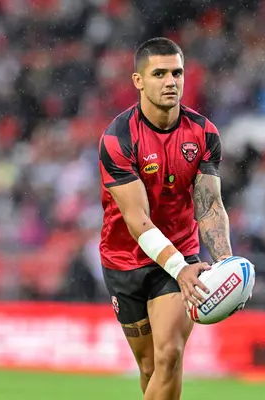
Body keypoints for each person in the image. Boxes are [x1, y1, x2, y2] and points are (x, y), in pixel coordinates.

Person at [98, 37, 233, 399]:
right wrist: (179, 266)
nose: (171, 81)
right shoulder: (118, 138)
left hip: (181, 257)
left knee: (170, 354)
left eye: (177, 72)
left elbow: (208, 206)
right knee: (149, 368)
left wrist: (224, 263)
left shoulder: (204, 133)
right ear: (138, 81)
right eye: (159, 74)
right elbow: (137, 220)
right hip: (124, 260)